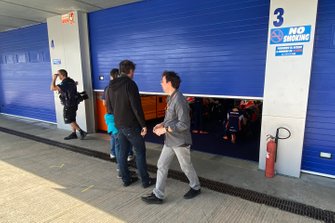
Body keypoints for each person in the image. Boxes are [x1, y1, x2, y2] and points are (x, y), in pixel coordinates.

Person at [141, 71, 201, 204]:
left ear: (169, 83)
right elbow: (171, 118)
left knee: (186, 166)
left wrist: (165, 129)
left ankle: (196, 187)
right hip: (170, 140)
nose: (161, 83)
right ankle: (158, 195)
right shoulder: (171, 97)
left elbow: (184, 124)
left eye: (162, 81)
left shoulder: (179, 99)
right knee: (161, 164)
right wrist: (161, 124)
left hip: (179, 141)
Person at [106, 60, 155, 187]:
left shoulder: (111, 85)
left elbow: (109, 108)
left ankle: (126, 180)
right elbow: (136, 107)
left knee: (122, 153)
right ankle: (145, 180)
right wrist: (143, 125)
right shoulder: (130, 84)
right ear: (131, 71)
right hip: (131, 125)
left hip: (118, 124)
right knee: (140, 151)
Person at [102, 68, 134, 162]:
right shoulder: (124, 87)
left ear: (111, 76)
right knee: (124, 137)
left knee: (114, 136)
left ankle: (113, 153)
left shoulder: (107, 88)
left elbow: (104, 103)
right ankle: (128, 155)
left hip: (110, 116)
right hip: (121, 116)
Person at [50, 69, 87, 140]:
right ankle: (74, 134)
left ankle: (81, 132)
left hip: (69, 104)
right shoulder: (71, 81)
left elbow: (52, 88)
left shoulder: (65, 83)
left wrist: (54, 79)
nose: (58, 76)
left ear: (62, 75)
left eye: (58, 75)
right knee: (72, 119)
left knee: (69, 120)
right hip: (74, 103)